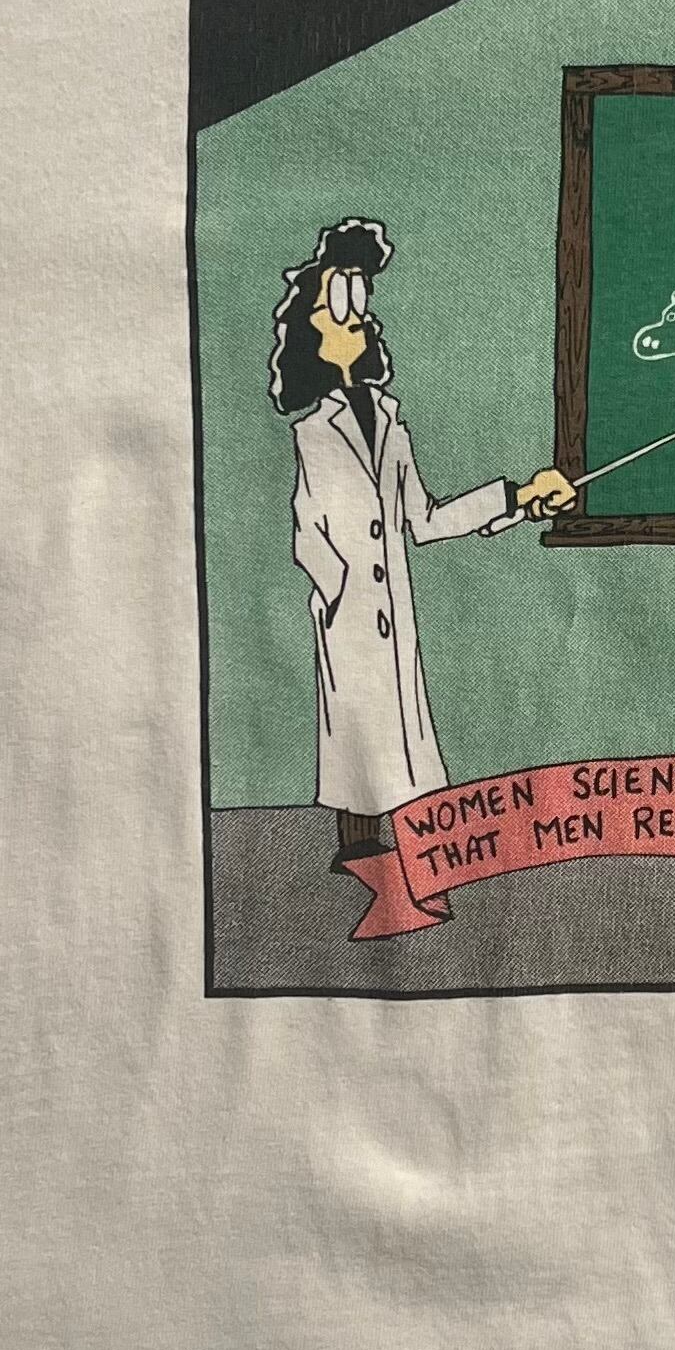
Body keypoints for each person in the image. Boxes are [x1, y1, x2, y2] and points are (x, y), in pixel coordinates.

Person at [269, 217, 572, 871]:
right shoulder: (311, 433)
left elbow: (426, 519)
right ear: (311, 331)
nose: (357, 314)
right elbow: (305, 526)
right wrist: (337, 588)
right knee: (357, 722)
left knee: (401, 721)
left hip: (391, 603)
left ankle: (410, 841)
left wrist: (520, 498)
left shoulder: (391, 423)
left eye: (360, 299)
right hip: (349, 609)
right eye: (339, 301)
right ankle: (358, 842)